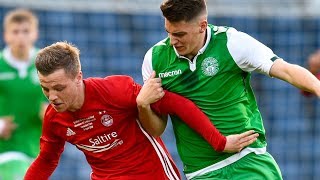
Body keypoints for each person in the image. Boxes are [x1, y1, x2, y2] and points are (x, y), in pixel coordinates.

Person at [24, 41, 258, 179]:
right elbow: (46, 160)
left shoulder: (115, 90)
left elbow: (177, 104)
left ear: (78, 78)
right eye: (45, 88)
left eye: (58, 88)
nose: (52, 97)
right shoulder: (54, 119)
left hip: (152, 174)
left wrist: (219, 142)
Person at [140, 0, 320, 179]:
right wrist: (143, 106)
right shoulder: (155, 60)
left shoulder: (232, 43)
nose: (172, 41)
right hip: (201, 171)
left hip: (247, 161)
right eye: (168, 33)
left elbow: (286, 70)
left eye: (179, 34)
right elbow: (156, 130)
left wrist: (317, 87)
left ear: (202, 26)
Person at [0, 8, 47, 180]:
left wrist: (50, 112)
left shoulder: (46, 66)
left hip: (37, 149)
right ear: (7, 35)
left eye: (26, 31)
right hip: (6, 150)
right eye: (15, 31)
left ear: (35, 34)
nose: (21, 36)